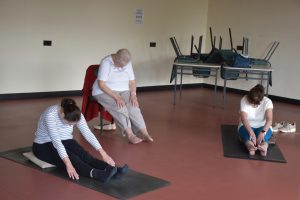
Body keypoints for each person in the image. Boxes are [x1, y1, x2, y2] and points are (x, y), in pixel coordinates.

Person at [32, 98, 128, 183]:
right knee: (74, 159)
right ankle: (97, 174)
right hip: (43, 145)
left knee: (85, 156)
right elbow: (57, 143)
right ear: (62, 115)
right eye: (69, 124)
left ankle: (112, 169)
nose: (71, 126)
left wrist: (103, 153)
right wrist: (68, 164)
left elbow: (88, 133)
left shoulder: (76, 113)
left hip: (66, 140)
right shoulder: (50, 115)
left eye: (74, 124)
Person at [92, 48, 153, 144]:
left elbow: (132, 81)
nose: (121, 68)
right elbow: (101, 85)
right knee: (120, 106)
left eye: (124, 66)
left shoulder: (127, 62)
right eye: (120, 65)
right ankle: (130, 135)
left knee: (133, 105)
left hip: (124, 90)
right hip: (103, 91)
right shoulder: (106, 62)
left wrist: (133, 94)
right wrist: (116, 97)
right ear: (116, 58)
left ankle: (144, 133)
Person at [238, 84, 273, 156]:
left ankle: (264, 146)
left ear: (261, 100)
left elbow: (269, 120)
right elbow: (244, 119)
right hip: (246, 125)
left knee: (263, 138)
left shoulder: (267, 102)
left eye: (256, 103)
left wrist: (262, 132)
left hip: (262, 125)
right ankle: (250, 146)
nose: (253, 105)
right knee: (247, 136)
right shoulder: (244, 99)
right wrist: (250, 132)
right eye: (252, 102)